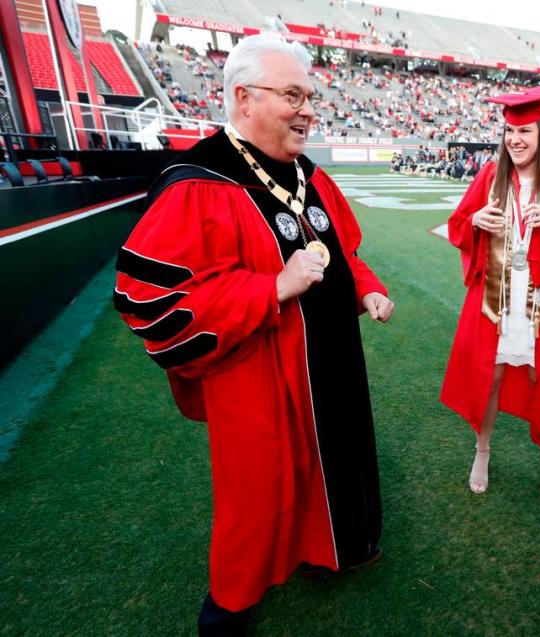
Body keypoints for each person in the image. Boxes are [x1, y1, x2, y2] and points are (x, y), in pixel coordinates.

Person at [113, 35, 394, 635]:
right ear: (244, 98)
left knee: (335, 455)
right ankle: (231, 603)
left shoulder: (310, 176)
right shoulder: (198, 182)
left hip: (331, 357)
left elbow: (342, 249)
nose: (309, 110)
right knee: (259, 489)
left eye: (311, 97)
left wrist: (364, 285)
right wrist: (271, 289)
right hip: (256, 371)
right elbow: (151, 298)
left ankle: (328, 550)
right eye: (293, 95)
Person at [441, 87, 540, 506]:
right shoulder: (489, 178)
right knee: (489, 378)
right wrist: (475, 220)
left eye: (524, 131)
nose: (515, 139)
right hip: (495, 301)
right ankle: (482, 451)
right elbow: (458, 225)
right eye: (510, 131)